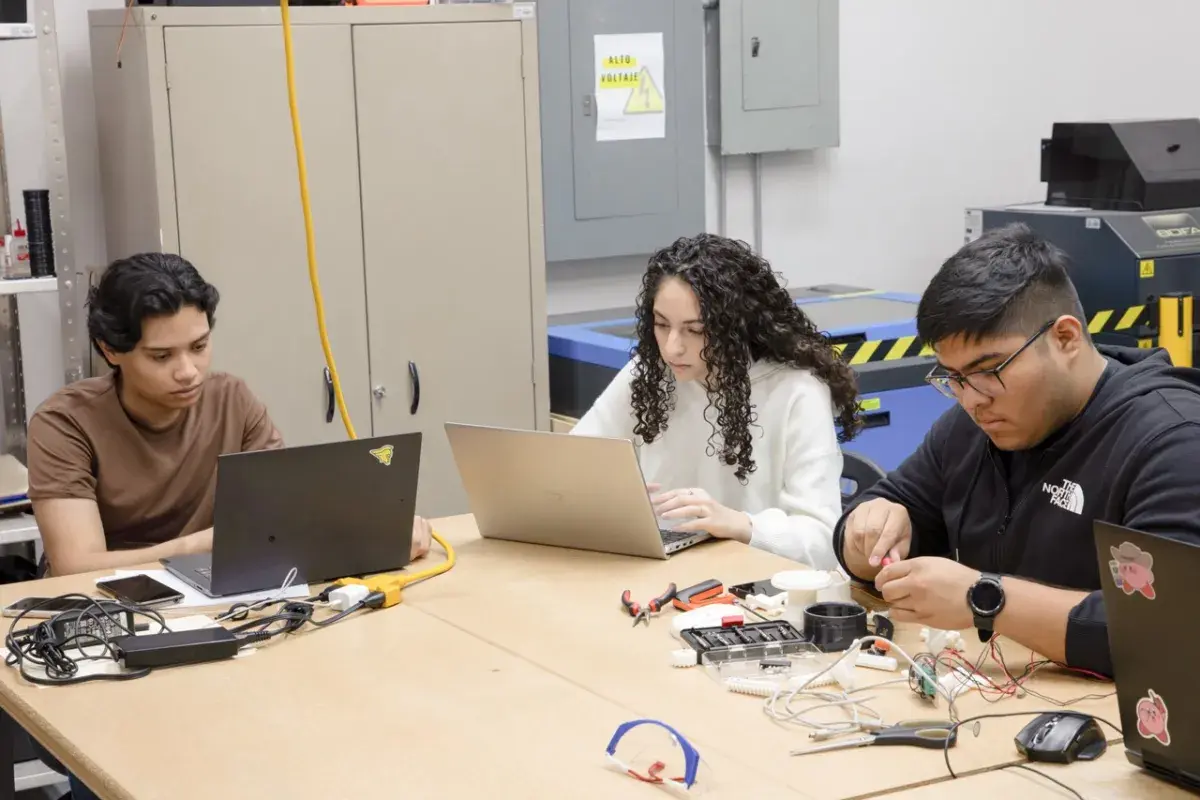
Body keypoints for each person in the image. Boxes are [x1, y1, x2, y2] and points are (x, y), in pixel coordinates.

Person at [834, 223, 1200, 676]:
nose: (971, 399)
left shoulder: (1173, 441)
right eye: (953, 377)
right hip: (1000, 690)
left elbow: (1168, 630)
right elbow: (889, 508)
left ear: (1065, 338)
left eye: (990, 370)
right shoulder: (972, 427)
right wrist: (864, 537)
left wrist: (984, 599)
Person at [27, 252, 432, 578]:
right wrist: (196, 546)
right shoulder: (66, 423)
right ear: (110, 350)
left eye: (199, 347)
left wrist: (376, 532)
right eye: (162, 356)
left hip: (215, 587)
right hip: (104, 606)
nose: (188, 371)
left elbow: (286, 514)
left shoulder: (231, 400)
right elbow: (74, 566)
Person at [571, 234, 861, 569]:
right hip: (659, 573)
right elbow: (576, 462)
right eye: (661, 324)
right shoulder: (650, 373)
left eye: (695, 330)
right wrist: (606, 494)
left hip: (755, 584)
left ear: (735, 327)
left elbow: (822, 542)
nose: (672, 348)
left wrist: (740, 524)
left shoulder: (798, 392)